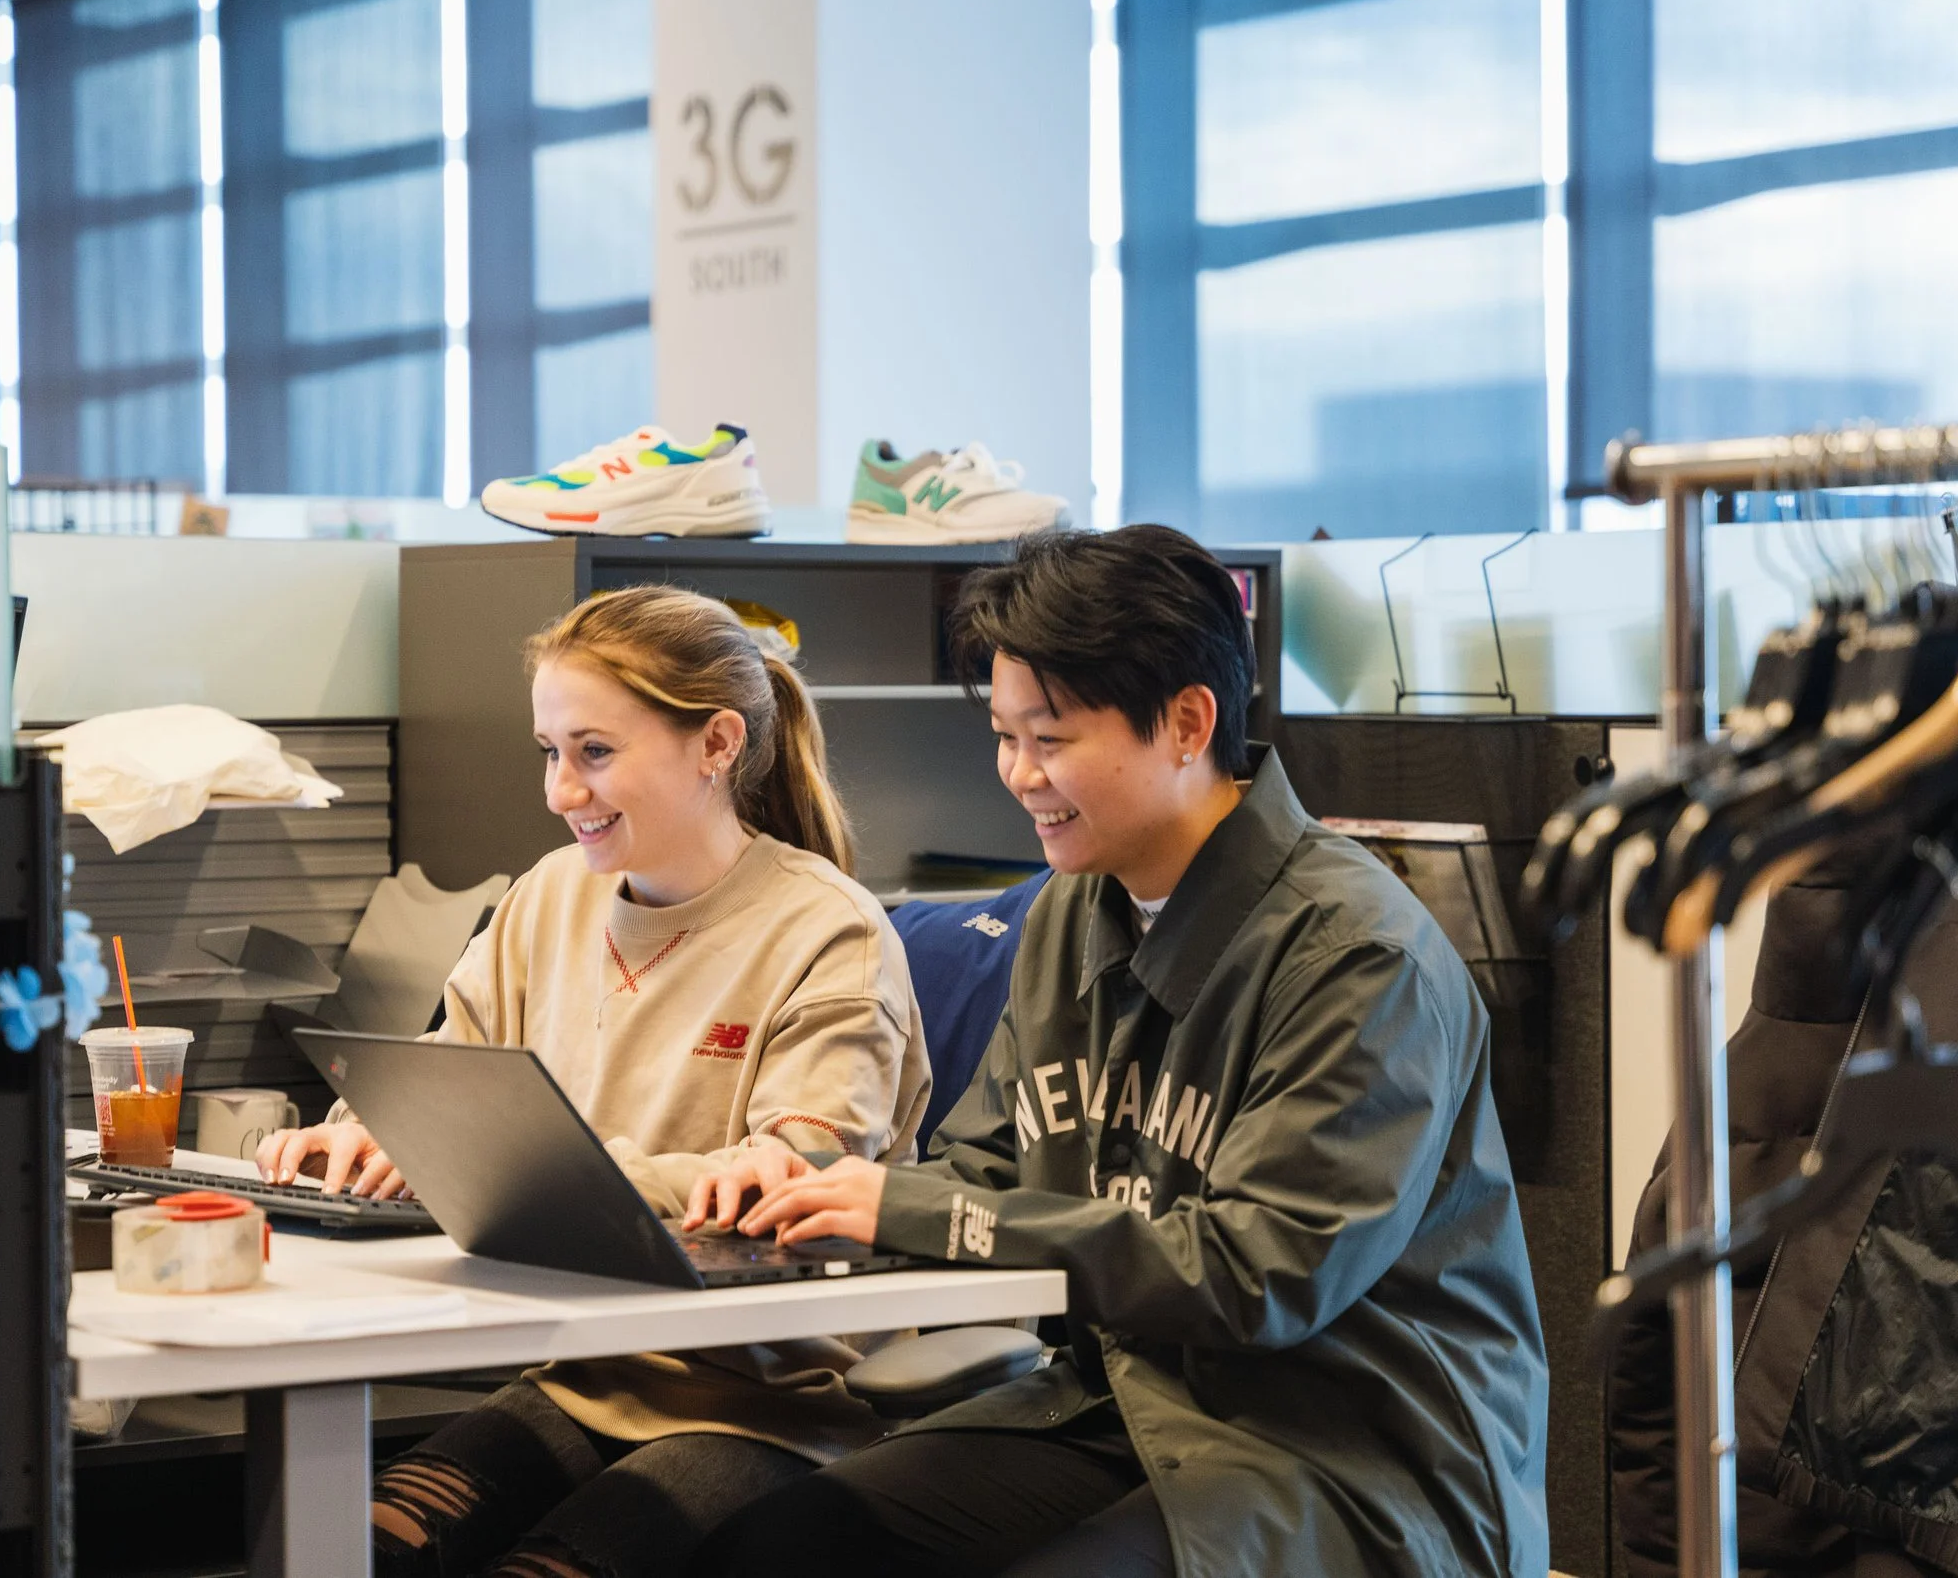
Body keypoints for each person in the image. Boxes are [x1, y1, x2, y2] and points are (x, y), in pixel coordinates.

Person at [688, 526, 1550, 1578]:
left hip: (1348, 1449)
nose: (1018, 774)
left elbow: (1258, 1274)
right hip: (1127, 1402)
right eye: (1004, 736)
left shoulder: (1358, 953)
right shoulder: (1070, 911)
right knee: (776, 1542)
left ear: (1188, 721)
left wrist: (908, 1209)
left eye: (1049, 738)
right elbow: (986, 1168)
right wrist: (817, 1189)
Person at [255, 585, 931, 1578]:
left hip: (760, 1409)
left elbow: (795, 1183)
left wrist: (529, 1163)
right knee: (350, 1553)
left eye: (595, 751)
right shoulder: (546, 897)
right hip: (573, 1380)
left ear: (716, 744)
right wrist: (374, 1129)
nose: (561, 789)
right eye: (550, 750)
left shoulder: (830, 932)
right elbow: (451, 1066)